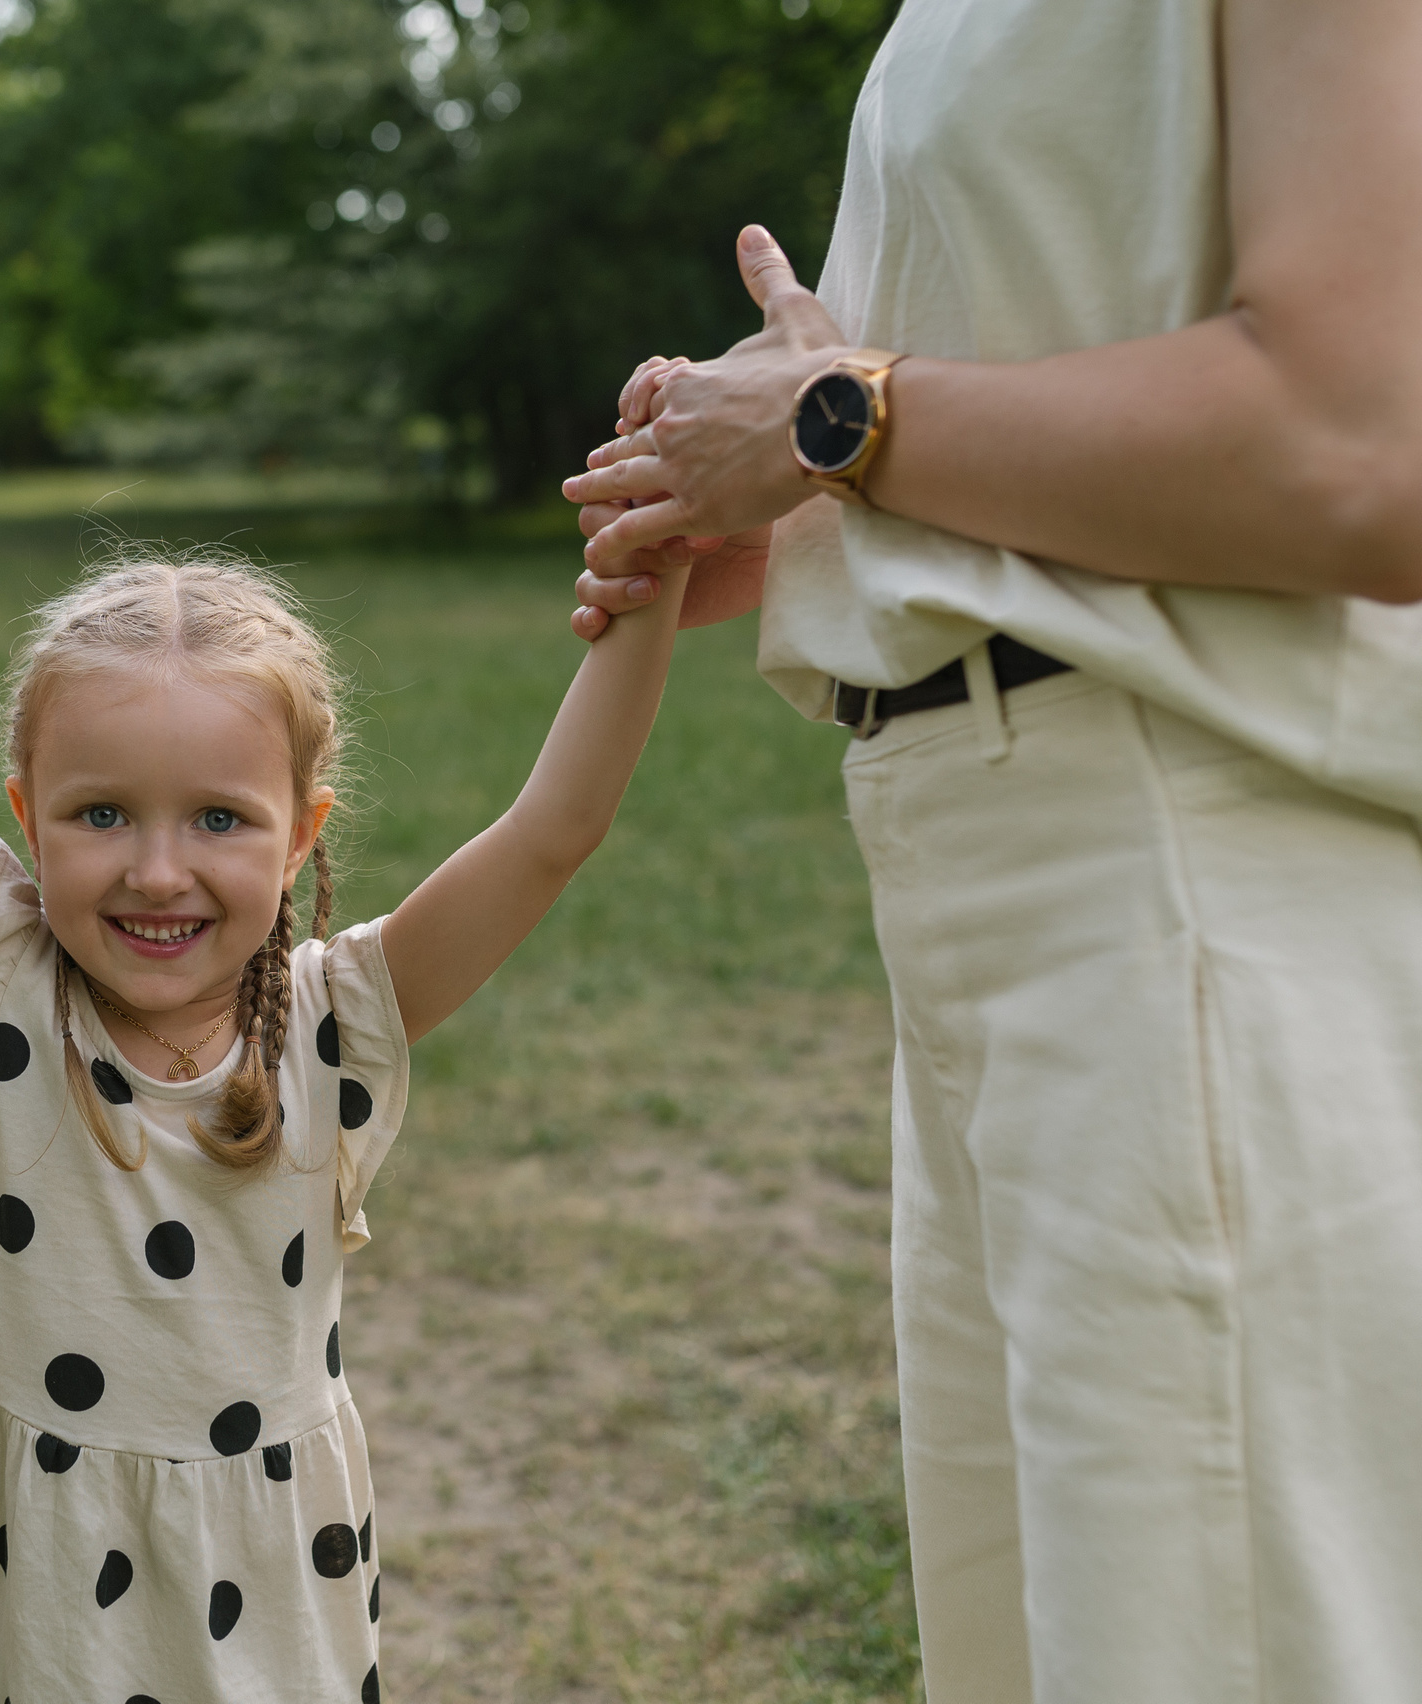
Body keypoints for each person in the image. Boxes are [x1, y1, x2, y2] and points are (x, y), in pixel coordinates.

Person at [0, 100, 689, 1700]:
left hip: (258, 1606)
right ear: (26, 819)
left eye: (220, 820)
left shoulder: (343, 1021)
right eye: (100, 814)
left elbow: (554, 829)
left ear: (303, 837)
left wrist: (649, 575)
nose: (158, 870)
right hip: (14, 1603)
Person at [561, 1, 1422, 1698]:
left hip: (1172, 872)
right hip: (992, 884)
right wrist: (811, 509)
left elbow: (1360, 446)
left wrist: (832, 417)